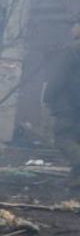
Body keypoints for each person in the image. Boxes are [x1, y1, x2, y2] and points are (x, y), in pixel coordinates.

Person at [44, 18, 80, 189]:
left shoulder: (72, 49)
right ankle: (75, 179)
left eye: (74, 26)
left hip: (68, 104)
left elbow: (58, 78)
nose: (72, 29)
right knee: (76, 139)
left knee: (63, 138)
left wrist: (48, 97)